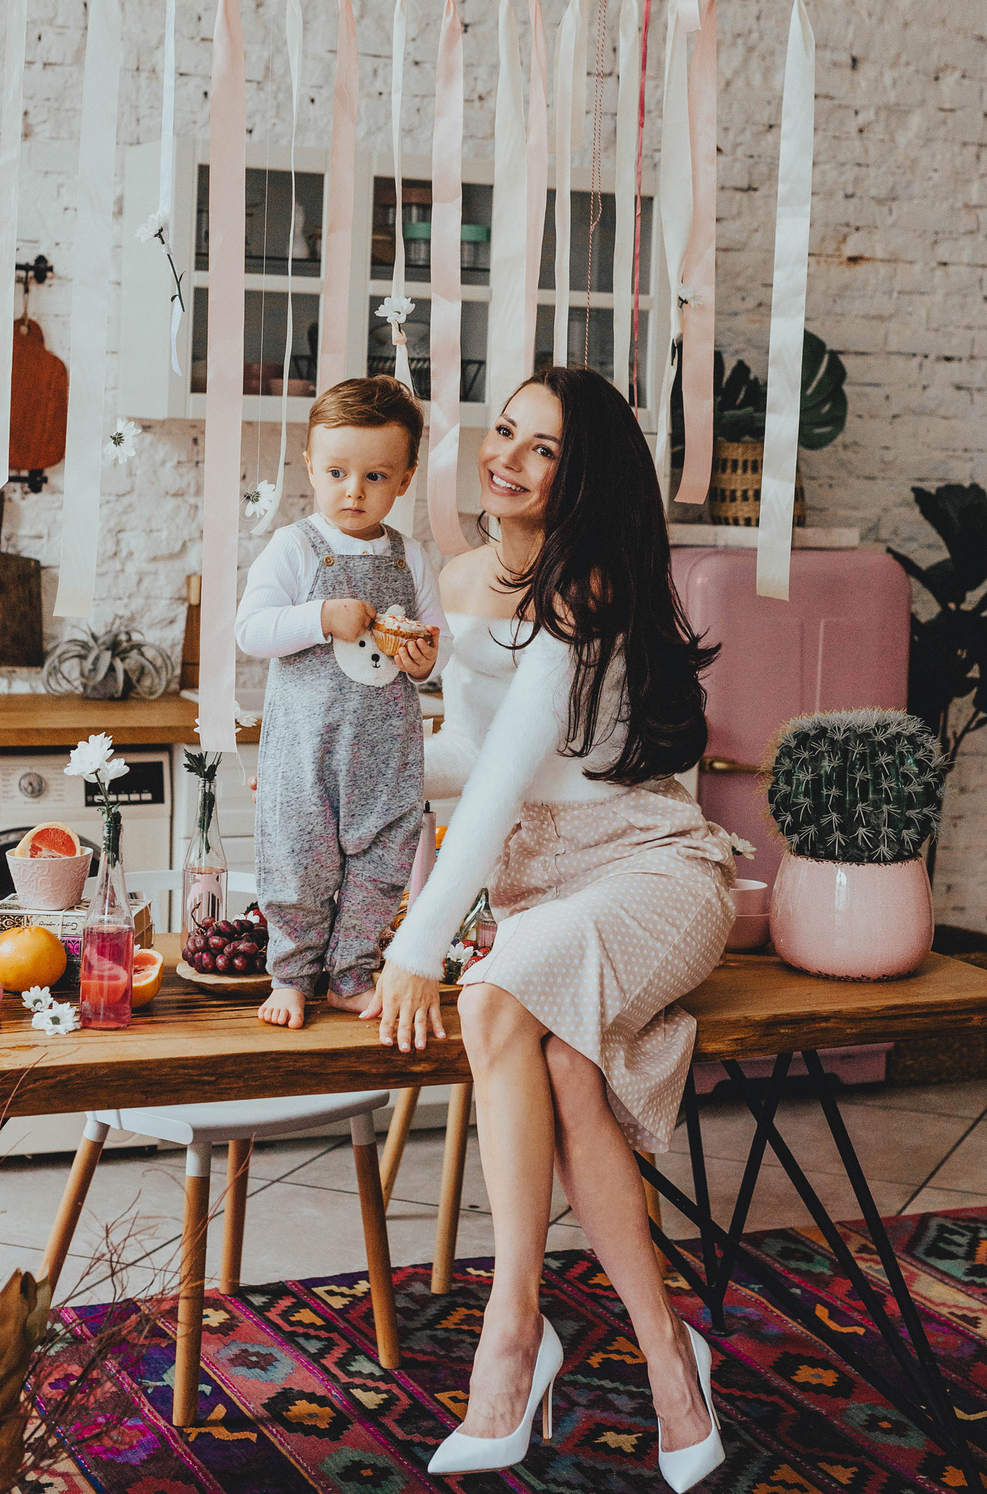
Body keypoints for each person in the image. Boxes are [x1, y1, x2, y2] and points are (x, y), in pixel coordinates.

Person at [366, 367, 735, 1490]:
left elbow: (504, 781)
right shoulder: (461, 575)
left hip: (652, 866)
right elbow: (474, 760)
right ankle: (672, 1359)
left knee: (489, 996)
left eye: (543, 451)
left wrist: (417, 947)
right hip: (542, 885)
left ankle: (511, 1338)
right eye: (506, 432)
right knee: (565, 1059)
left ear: (584, 482)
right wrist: (332, 758)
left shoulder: (587, 588)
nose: (507, 459)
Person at [236, 375, 452, 1030]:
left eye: (375, 476)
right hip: (307, 754)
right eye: (336, 471)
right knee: (299, 862)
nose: (353, 491)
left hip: (386, 754)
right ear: (310, 465)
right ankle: (292, 975)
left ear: (405, 477)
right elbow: (251, 630)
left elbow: (434, 647)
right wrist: (322, 615)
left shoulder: (410, 557)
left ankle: (353, 972)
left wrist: (424, 662)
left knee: (383, 866)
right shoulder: (296, 548)